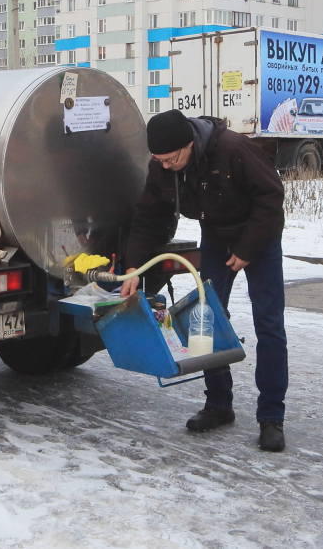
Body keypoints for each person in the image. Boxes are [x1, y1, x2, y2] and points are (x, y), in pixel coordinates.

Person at [120, 110, 288, 451]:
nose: (165, 166)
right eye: (159, 160)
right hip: (215, 238)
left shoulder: (233, 149)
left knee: (269, 324)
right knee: (205, 319)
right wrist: (133, 267)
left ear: (190, 144)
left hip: (260, 238)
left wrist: (247, 249)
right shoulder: (162, 168)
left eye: (171, 159)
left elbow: (271, 198)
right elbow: (148, 218)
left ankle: (271, 417)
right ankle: (218, 404)